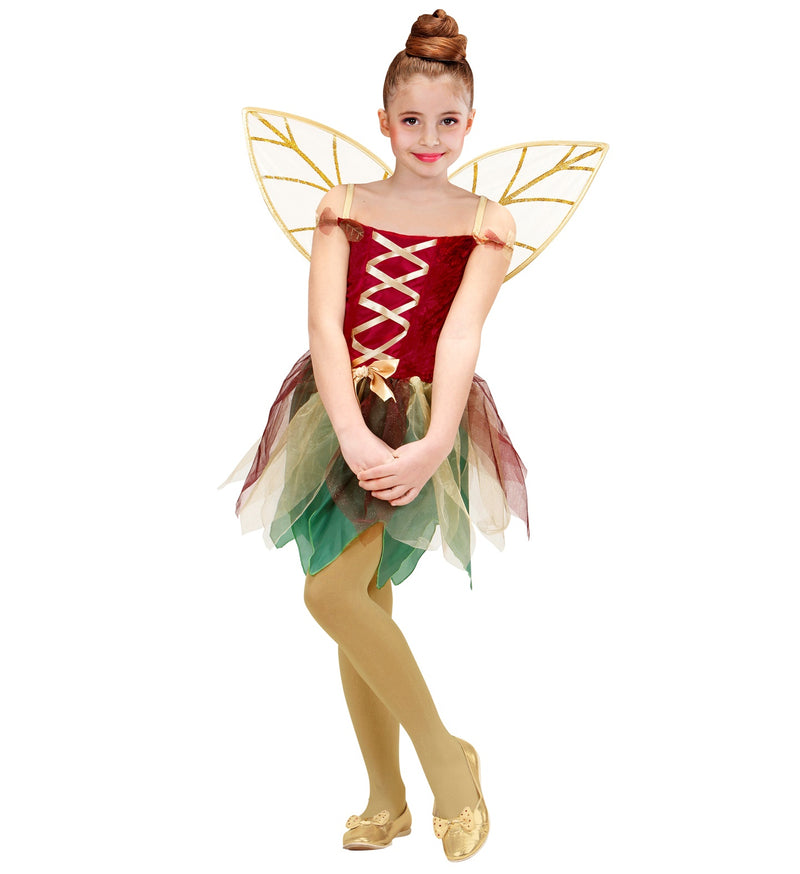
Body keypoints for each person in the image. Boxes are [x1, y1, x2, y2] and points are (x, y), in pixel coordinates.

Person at [227, 9, 529, 862]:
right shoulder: (345, 207)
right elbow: (325, 328)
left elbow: (462, 335)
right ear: (384, 122)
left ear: (470, 122)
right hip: (336, 415)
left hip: (426, 419)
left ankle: (445, 767)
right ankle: (392, 793)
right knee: (350, 597)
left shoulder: (487, 222)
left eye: (448, 121)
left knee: (335, 596)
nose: (429, 138)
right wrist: (352, 434)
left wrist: (432, 445)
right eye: (412, 120)